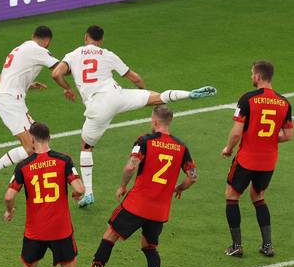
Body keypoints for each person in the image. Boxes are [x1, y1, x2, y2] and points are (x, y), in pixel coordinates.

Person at [51, 25, 214, 208]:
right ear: (101, 40)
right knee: (156, 97)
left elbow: (56, 73)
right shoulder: (107, 54)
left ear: (85, 38)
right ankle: (188, 94)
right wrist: (142, 96)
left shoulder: (73, 54)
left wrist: (67, 88)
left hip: (97, 106)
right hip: (118, 96)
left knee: (86, 146)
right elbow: (135, 78)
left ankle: (88, 194)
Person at [75, 106, 197, 267]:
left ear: (156, 121)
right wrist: (180, 188)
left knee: (109, 236)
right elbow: (193, 177)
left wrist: (123, 185)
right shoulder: (181, 147)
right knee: (149, 245)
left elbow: (132, 165)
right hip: (160, 210)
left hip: (137, 204)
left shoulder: (145, 140)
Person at [3, 122, 85, 267]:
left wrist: (9, 211)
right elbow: (79, 188)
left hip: (35, 231)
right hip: (60, 230)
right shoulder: (64, 160)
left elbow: (9, 195)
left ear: (32, 138)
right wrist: (76, 194)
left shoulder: (23, 166)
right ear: (49, 137)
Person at [0, 25, 59, 196]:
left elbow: (0, 79)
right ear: (47, 41)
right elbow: (59, 68)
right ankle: (2, 181)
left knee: (37, 144)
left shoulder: (20, 48)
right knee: (32, 147)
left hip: (11, 99)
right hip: (10, 102)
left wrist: (27, 84)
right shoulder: (38, 49)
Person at [221, 60, 292, 257]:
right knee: (258, 197)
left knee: (232, 196)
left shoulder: (247, 99)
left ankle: (236, 246)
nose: (252, 77)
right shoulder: (284, 103)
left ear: (259, 77)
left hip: (246, 159)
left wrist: (228, 148)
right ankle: (267, 245)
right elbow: (287, 135)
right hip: (268, 162)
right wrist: (268, 138)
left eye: (252, 74)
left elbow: (236, 133)